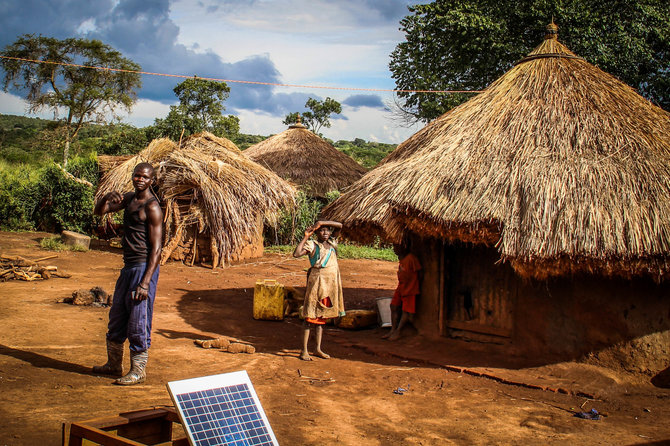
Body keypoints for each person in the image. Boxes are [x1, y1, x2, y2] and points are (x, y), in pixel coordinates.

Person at [92, 162, 163, 385]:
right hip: (128, 267)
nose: (140, 179)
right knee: (117, 316)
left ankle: (138, 371)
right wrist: (105, 198)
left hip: (143, 268)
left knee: (138, 320)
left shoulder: (152, 207)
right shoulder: (130, 199)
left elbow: (157, 249)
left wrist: (145, 282)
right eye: (137, 175)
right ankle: (114, 365)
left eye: (145, 177)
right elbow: (99, 212)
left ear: (152, 180)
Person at [293, 220, 345, 361]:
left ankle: (317, 349)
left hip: (330, 285)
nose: (326, 233)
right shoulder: (312, 245)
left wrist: (322, 222)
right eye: (322, 230)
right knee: (310, 317)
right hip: (317, 283)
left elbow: (340, 225)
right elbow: (297, 254)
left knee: (321, 318)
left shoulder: (333, 243)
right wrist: (305, 237)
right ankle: (304, 351)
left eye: (328, 230)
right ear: (316, 233)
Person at [383, 243, 422, 341]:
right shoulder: (402, 259)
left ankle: (398, 331)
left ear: (403, 248)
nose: (394, 249)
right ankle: (393, 329)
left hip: (410, 288)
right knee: (393, 306)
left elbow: (420, 273)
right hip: (401, 287)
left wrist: (414, 284)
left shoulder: (411, 258)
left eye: (396, 247)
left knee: (406, 311)